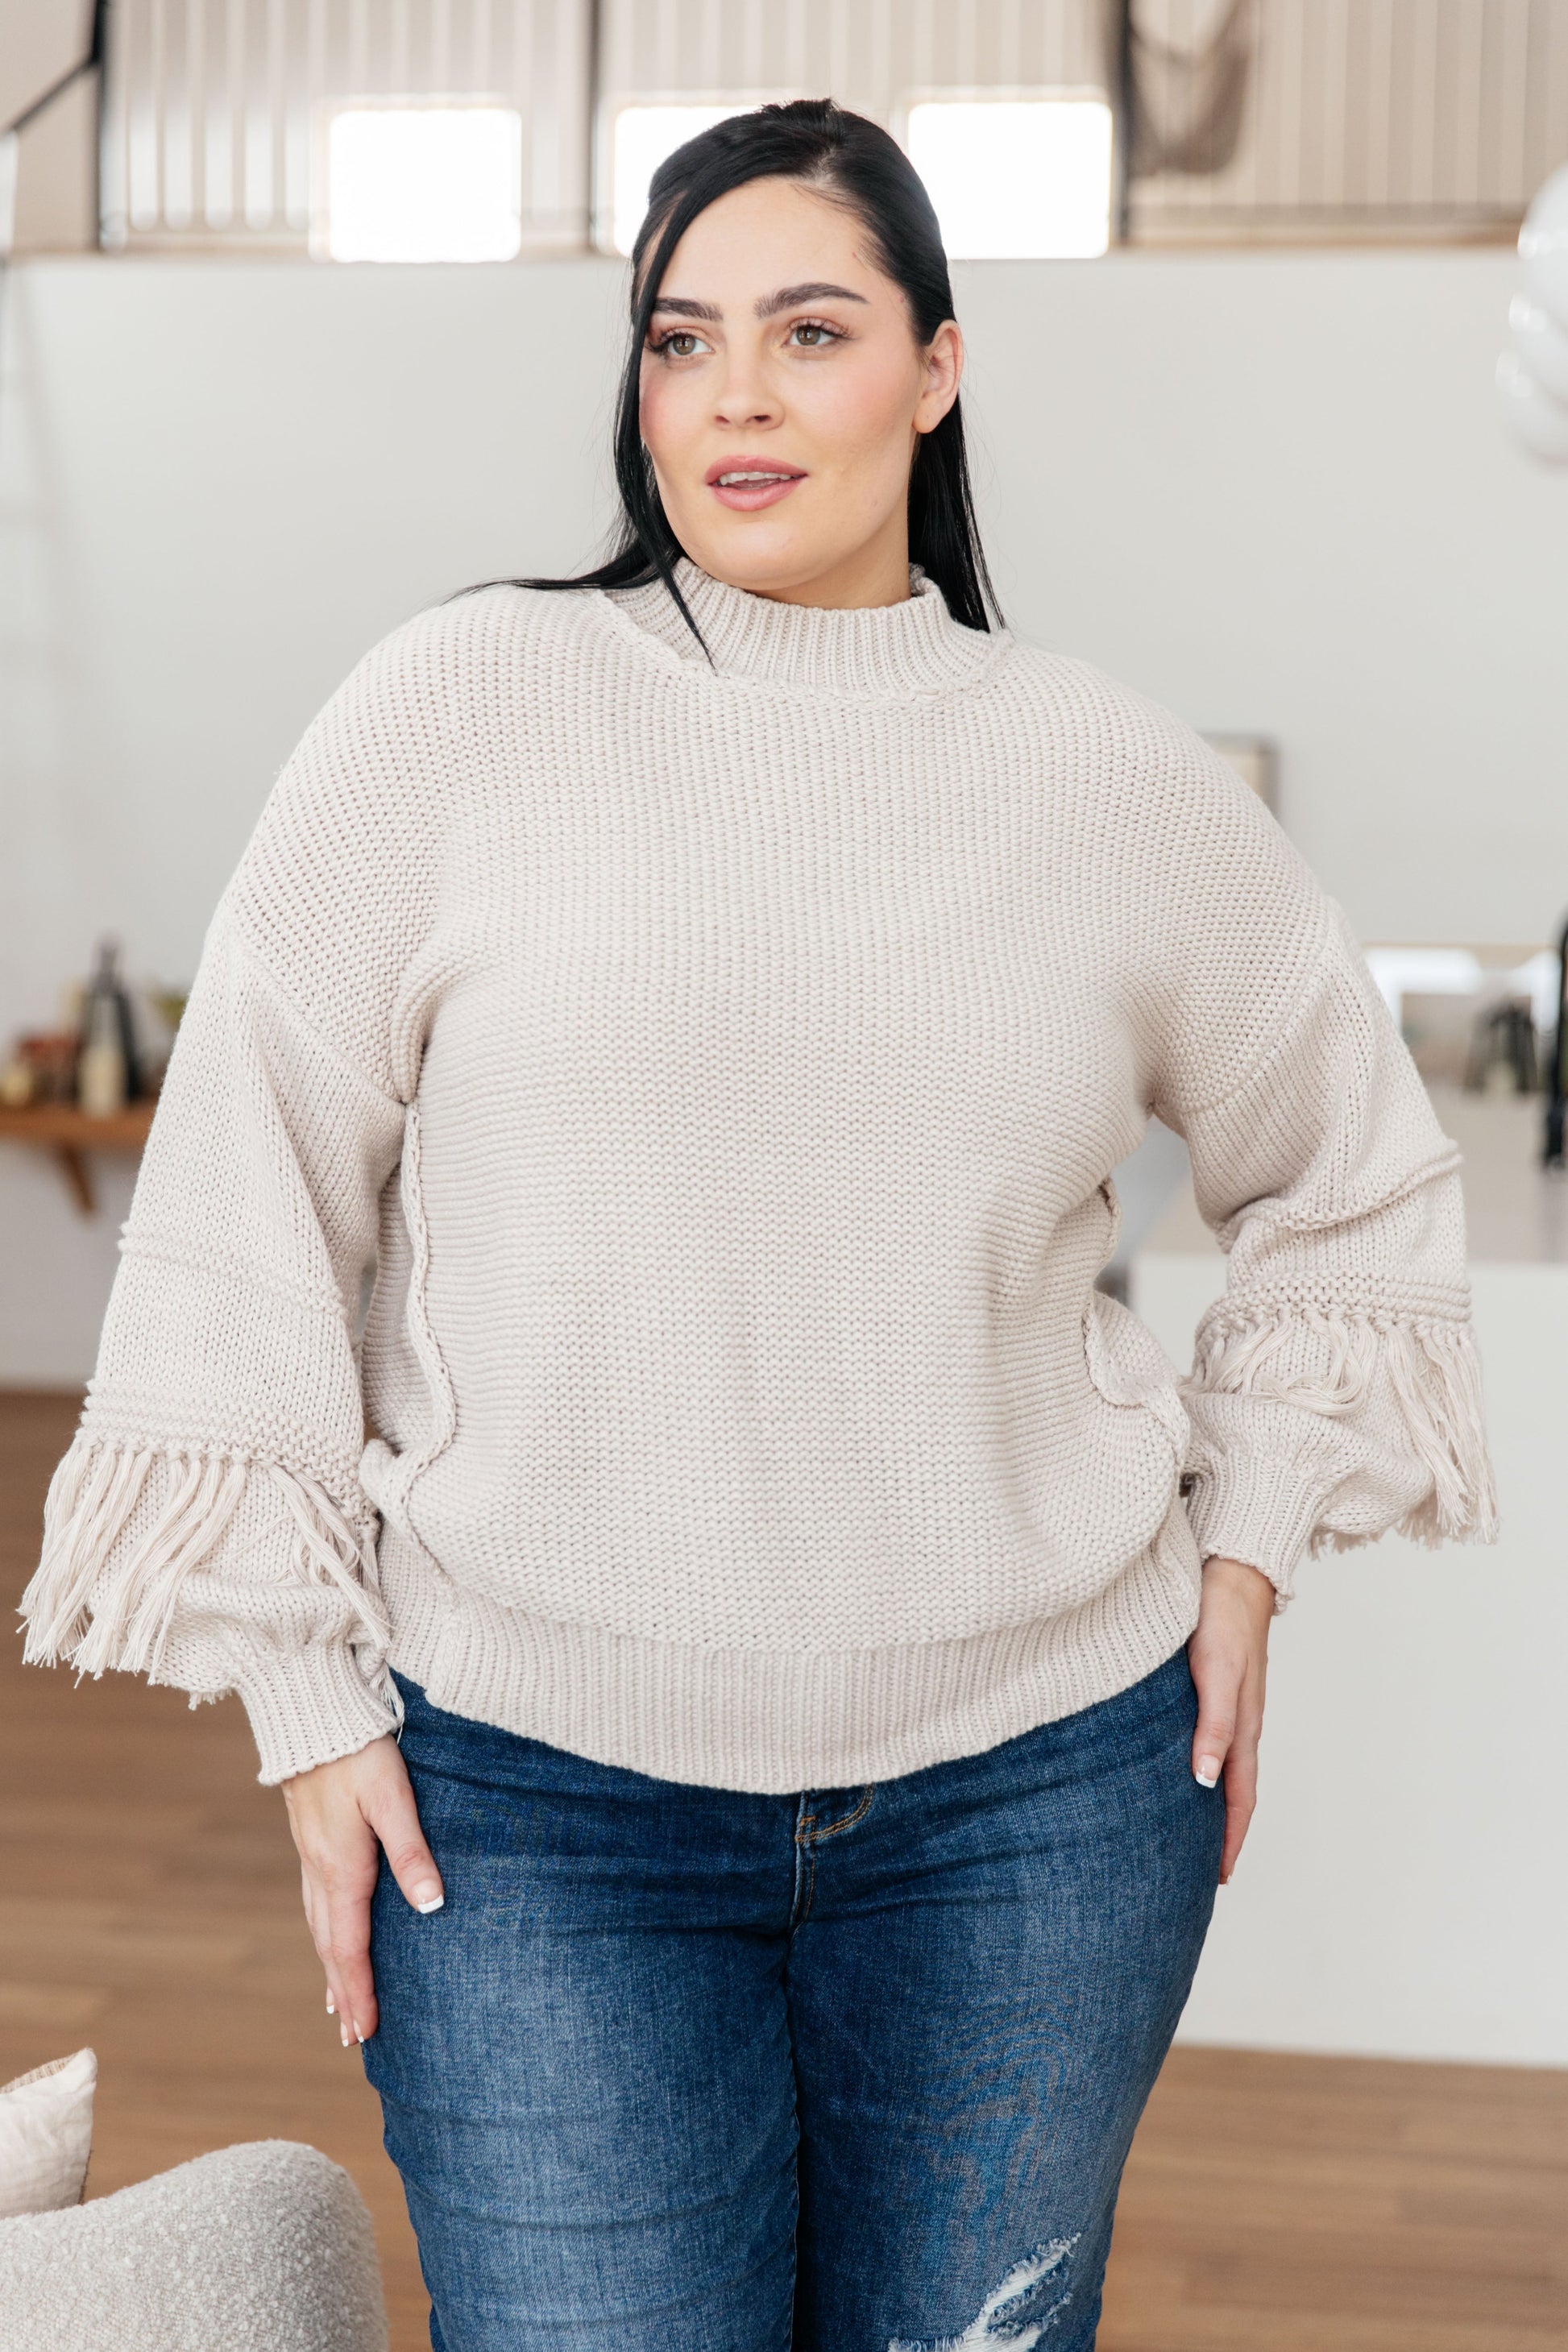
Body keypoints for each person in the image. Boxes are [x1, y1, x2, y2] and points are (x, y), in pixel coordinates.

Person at [23, 101, 1495, 2352]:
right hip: (530, 1812)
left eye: (809, 331)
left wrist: (1253, 1539)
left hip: (1038, 1804)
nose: (734, 393)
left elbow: (1352, 1173)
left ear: (936, 367)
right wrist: (306, 1699)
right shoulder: (457, 713)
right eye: (680, 337)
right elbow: (245, 1194)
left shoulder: (1101, 778)